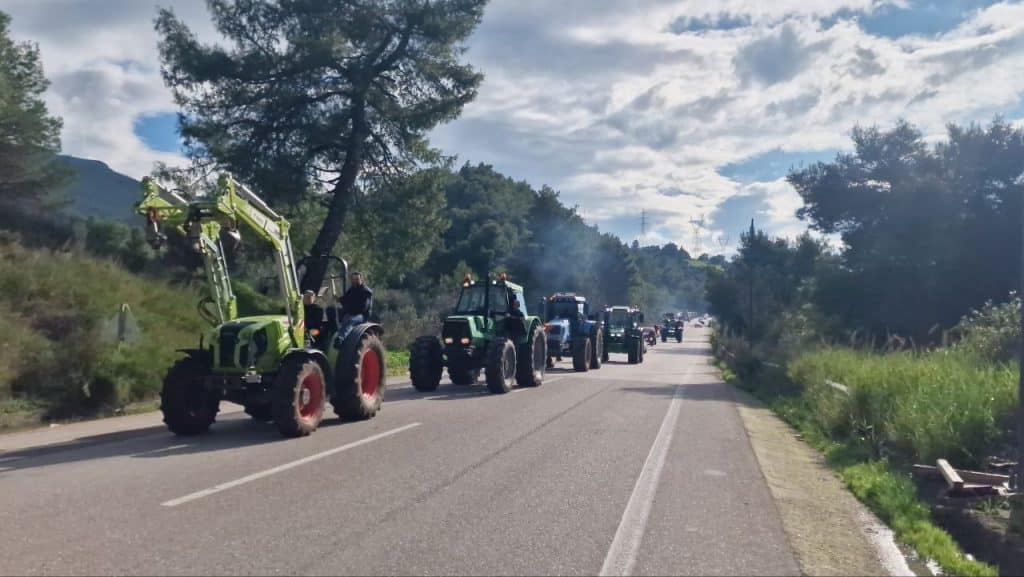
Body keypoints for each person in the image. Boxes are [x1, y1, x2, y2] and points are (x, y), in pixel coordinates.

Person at [337, 271, 373, 339]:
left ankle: (341, 338)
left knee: (351, 320)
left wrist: (348, 308)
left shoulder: (366, 291)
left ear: (361, 280)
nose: (355, 281)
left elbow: (363, 308)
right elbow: (345, 299)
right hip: (351, 313)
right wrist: (338, 299)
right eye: (353, 279)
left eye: (357, 279)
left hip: (362, 315)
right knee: (332, 311)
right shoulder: (352, 289)